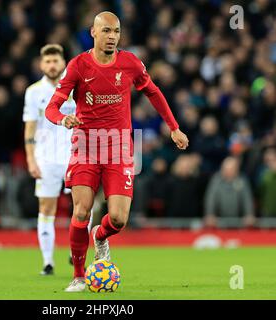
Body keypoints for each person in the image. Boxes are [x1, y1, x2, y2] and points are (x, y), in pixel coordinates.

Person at [45, 11, 189, 292]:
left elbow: (154, 92)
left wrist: (173, 127)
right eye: (107, 31)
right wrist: (63, 118)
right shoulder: (78, 66)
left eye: (116, 32)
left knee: (119, 219)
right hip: (86, 145)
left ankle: (100, 235)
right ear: (93, 32)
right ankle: (78, 276)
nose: (112, 37)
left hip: (120, 147)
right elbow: (52, 106)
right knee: (81, 210)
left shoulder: (130, 63)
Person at [23, 44, 77, 275]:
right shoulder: (33, 91)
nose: (52, 65)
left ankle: (77, 251)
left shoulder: (75, 86)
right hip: (46, 158)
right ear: (41, 64)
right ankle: (47, 262)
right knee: (46, 208)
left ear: (63, 62)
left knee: (83, 205)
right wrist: (31, 160)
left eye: (55, 61)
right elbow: (30, 129)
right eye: (48, 61)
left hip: (75, 155)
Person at [204, 156, 255, 227]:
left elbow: (247, 200)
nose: (228, 171)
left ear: (236, 169)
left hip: (239, 222)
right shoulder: (216, 180)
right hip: (219, 222)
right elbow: (210, 199)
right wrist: (210, 214)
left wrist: (249, 214)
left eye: (231, 169)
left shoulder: (242, 180)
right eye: (226, 169)